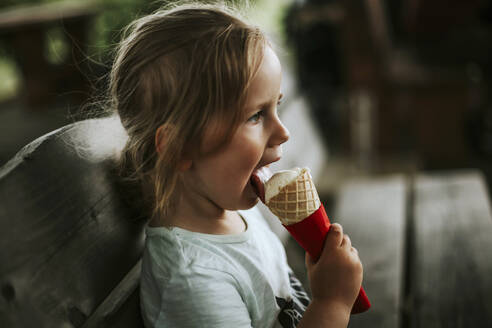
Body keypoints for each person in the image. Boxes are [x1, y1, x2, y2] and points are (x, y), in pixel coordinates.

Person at [109, 2, 362, 327]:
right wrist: (332, 303)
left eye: (276, 107)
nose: (283, 132)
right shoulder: (194, 280)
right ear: (178, 147)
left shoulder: (236, 212)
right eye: (256, 115)